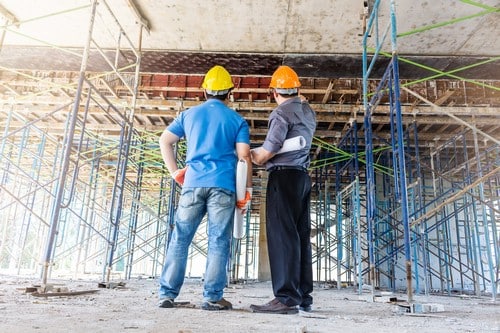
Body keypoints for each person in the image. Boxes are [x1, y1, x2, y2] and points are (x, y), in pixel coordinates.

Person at [157, 65, 252, 311]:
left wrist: (175, 172)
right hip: (223, 185)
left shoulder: (189, 115)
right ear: (229, 92)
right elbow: (244, 157)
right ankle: (212, 297)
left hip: (193, 183)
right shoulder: (237, 121)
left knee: (180, 238)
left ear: (205, 92)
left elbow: (165, 140)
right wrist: (246, 190)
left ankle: (167, 295)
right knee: (218, 240)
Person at [249, 65, 316, 314]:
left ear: (274, 93)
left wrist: (253, 156)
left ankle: (286, 298)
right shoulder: (307, 111)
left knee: (282, 236)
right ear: (297, 89)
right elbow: (304, 104)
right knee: (299, 236)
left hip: (283, 177)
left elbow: (269, 150)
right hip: (301, 178)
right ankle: (303, 296)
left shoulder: (280, 113)